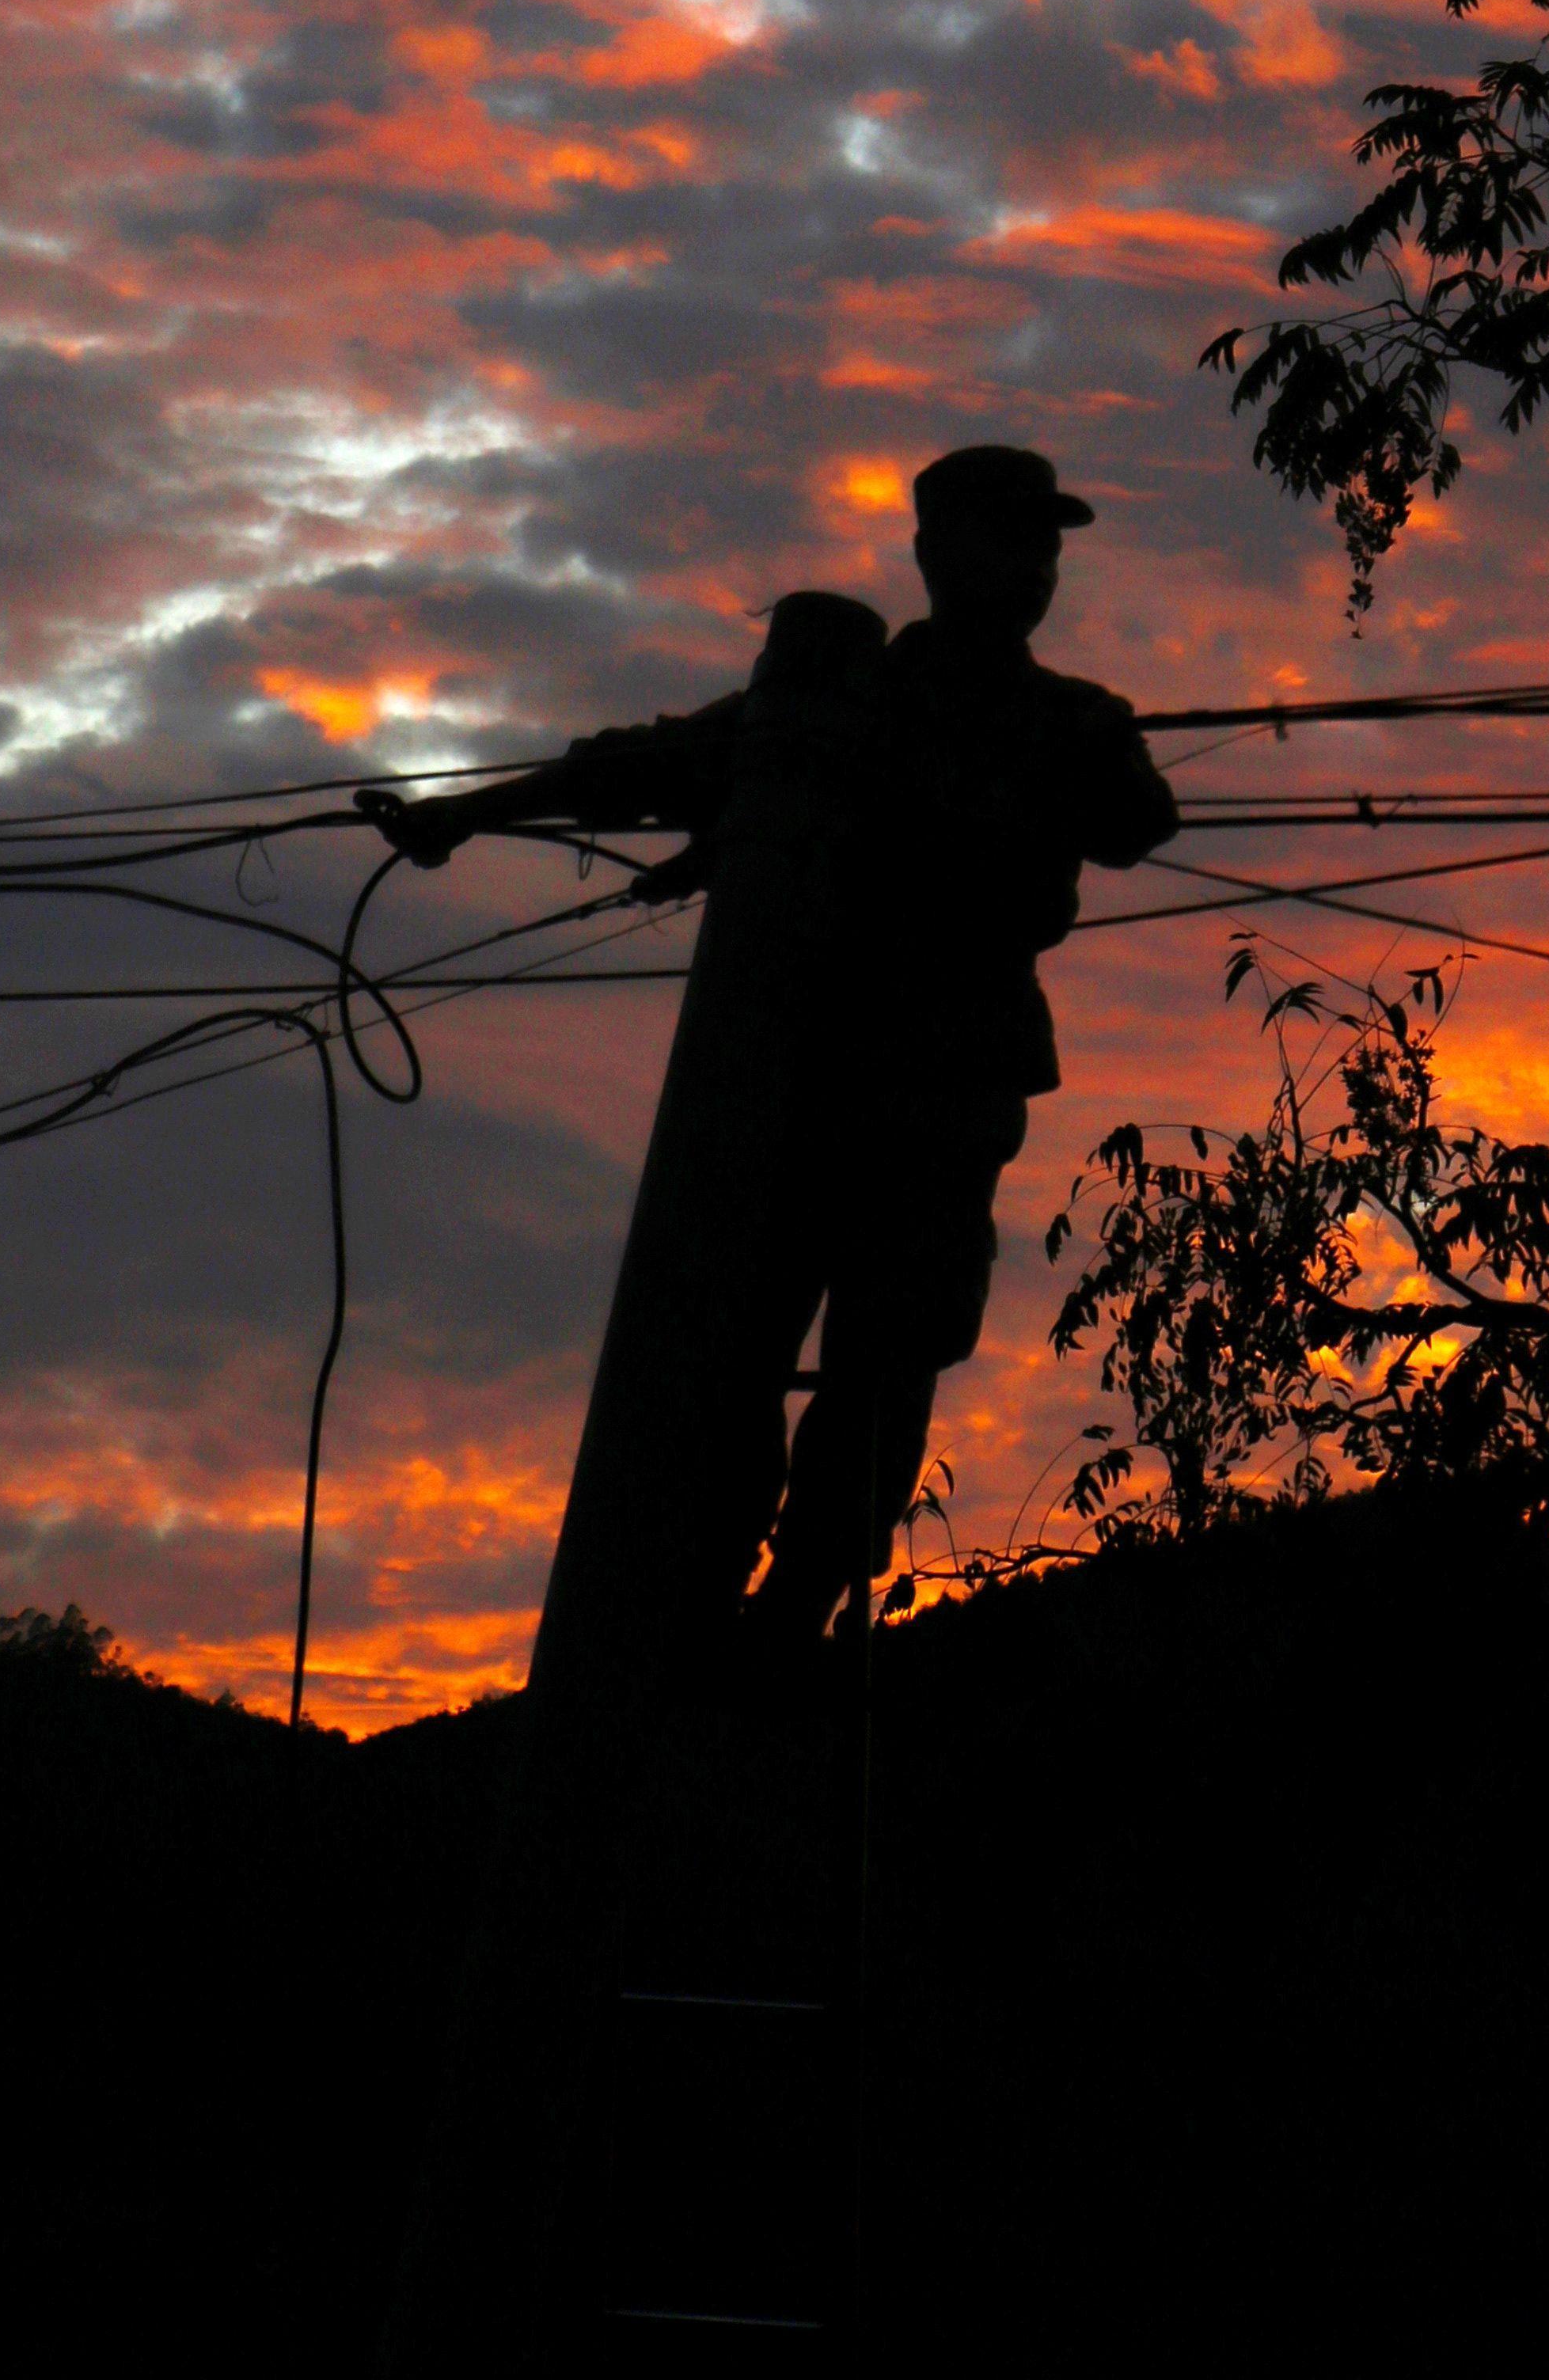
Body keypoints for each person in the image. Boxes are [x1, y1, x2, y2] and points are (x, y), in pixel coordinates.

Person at [359, 442, 1177, 1643]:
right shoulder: (832, 705)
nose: (1040, 569)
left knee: (886, 1361)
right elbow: (636, 765)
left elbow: (1138, 820)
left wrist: (988, 789)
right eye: (1016, 539)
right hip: (802, 1085)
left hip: (945, 1091)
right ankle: (703, 1590)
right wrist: (461, 814)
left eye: (1048, 547)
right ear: (936, 555)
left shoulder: (1069, 722)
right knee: (736, 1346)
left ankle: (799, 1603)